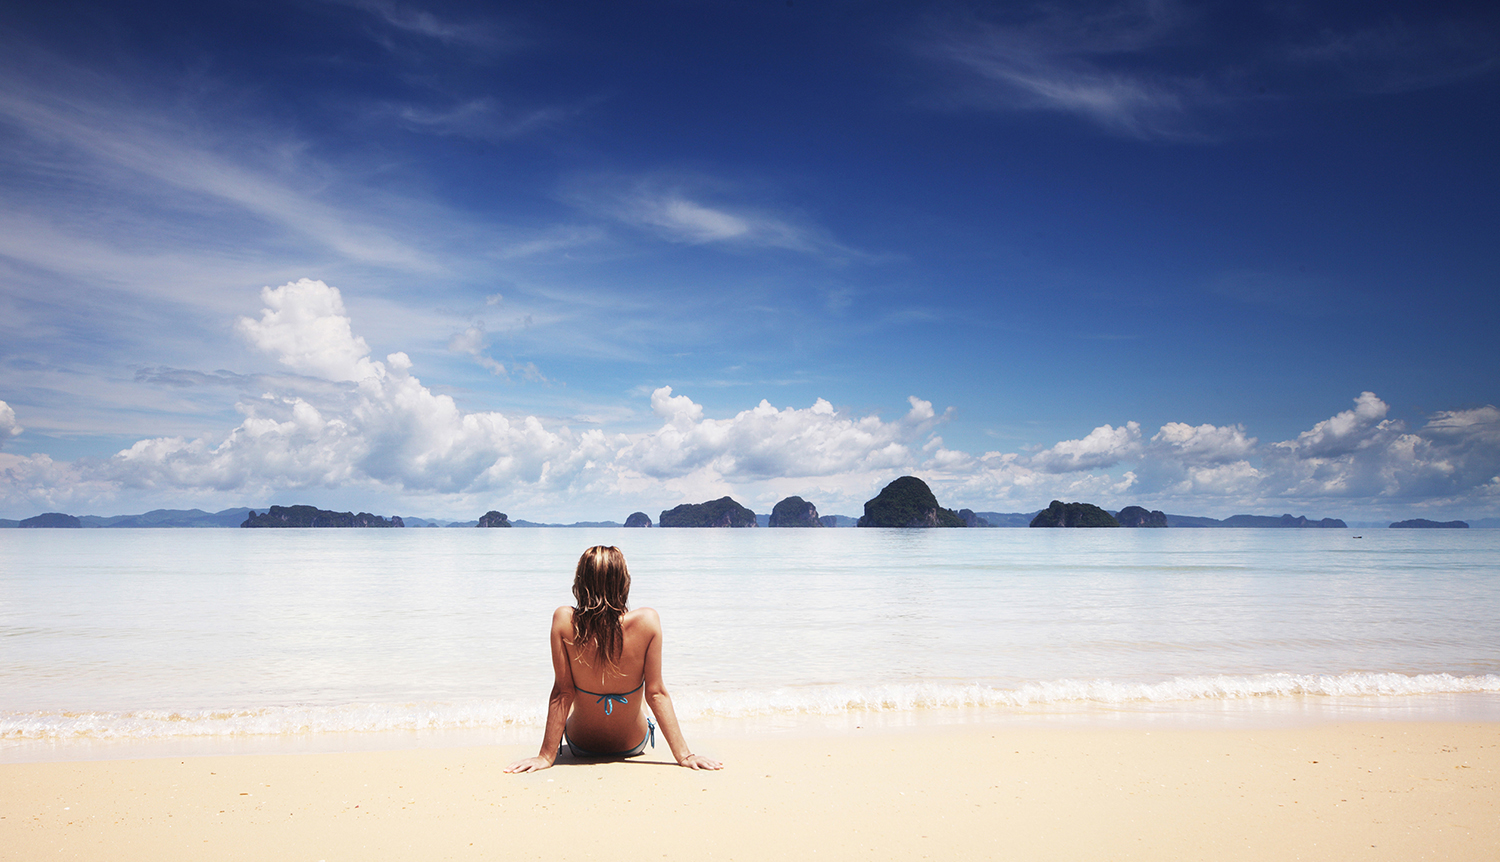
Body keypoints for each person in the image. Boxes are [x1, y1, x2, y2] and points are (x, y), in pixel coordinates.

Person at [505, 545, 722, 772]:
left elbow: (562, 692)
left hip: (581, 745)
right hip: (632, 744)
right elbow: (656, 693)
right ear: (623, 582)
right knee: (643, 703)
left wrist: (545, 757)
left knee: (574, 695)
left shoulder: (564, 620)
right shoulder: (647, 621)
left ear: (580, 582)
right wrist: (685, 755)